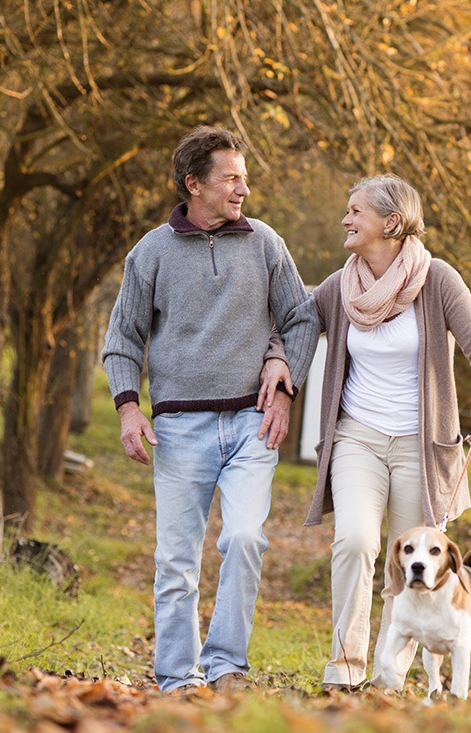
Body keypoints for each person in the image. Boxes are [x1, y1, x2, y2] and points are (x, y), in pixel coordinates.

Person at [101, 125, 320, 695]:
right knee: (176, 561)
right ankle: (177, 676)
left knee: (245, 538)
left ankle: (226, 666)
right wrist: (129, 409)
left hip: (253, 422)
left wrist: (285, 375)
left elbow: (301, 318)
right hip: (178, 428)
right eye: (231, 178)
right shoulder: (149, 253)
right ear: (193, 184)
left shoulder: (267, 243)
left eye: (245, 178)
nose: (243, 188)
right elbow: (121, 339)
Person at [276, 173, 471, 692]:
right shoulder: (340, 286)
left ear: (392, 223)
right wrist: (276, 364)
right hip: (357, 436)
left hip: (420, 448)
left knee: (405, 572)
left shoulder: (438, 280)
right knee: (355, 541)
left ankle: (389, 675)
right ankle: (345, 667)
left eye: (356, 211)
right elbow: (297, 328)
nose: (346, 219)